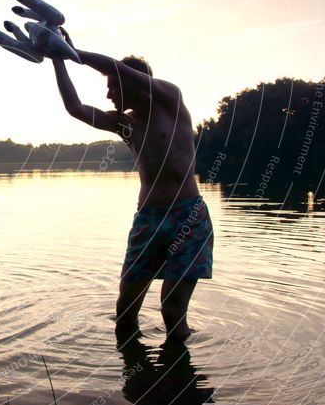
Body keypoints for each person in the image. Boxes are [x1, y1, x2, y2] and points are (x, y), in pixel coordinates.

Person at [50, 49, 213, 341]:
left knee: (172, 312)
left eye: (113, 86)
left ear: (134, 82)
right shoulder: (124, 124)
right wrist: (57, 58)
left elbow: (113, 66)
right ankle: (136, 379)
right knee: (125, 313)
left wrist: (71, 52)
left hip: (187, 217)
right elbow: (75, 108)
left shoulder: (171, 102)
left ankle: (180, 380)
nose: (109, 94)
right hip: (147, 221)